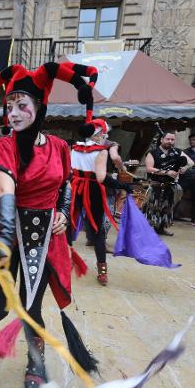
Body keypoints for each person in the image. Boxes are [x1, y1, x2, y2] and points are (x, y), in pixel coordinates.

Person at [0, 61, 99, 388]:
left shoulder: (60, 147)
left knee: (32, 308)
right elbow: (7, 192)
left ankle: (35, 364)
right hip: (9, 234)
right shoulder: (4, 146)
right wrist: (3, 239)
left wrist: (63, 212)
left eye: (22, 106)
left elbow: (66, 184)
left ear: (39, 109)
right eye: (10, 106)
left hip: (44, 238)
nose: (14, 113)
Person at [70, 118, 124, 286]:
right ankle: (102, 271)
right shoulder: (102, 151)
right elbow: (101, 178)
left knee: (67, 225)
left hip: (74, 188)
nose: (105, 135)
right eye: (103, 132)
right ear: (97, 134)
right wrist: (121, 185)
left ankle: (61, 262)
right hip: (92, 190)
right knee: (98, 231)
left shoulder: (74, 148)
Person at [144, 131, 193, 236]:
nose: (170, 141)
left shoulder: (177, 152)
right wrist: (166, 172)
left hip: (170, 185)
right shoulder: (153, 152)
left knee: (167, 208)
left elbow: (191, 162)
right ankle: (148, 230)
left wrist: (183, 168)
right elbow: (149, 169)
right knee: (152, 208)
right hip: (156, 184)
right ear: (162, 139)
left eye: (172, 139)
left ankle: (161, 229)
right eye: (168, 139)